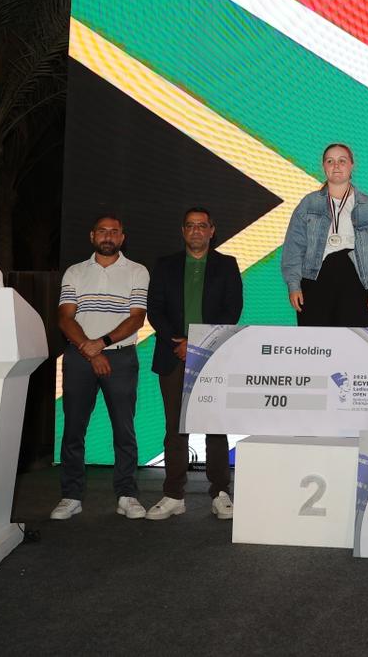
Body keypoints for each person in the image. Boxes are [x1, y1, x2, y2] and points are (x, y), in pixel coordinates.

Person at [146, 207, 243, 521]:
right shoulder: (165, 265)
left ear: (212, 230)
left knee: (215, 426)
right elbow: (154, 309)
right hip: (172, 353)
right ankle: (174, 495)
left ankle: (220, 493)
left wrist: (198, 344)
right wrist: (179, 342)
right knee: (175, 427)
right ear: (183, 231)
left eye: (202, 225)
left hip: (212, 357)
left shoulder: (227, 265)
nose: (196, 230)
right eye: (190, 225)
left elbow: (232, 310)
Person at [52, 214, 150, 521]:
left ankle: (126, 495)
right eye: (102, 231)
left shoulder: (137, 271)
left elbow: (137, 318)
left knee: (124, 430)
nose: (108, 236)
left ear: (122, 238)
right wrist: (90, 350)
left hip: (120, 358)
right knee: (73, 429)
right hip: (79, 357)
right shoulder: (75, 272)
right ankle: (71, 496)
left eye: (114, 232)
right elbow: (65, 317)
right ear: (92, 236)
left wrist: (101, 343)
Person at [282, 144, 368, 326]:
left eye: (342, 161)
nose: (336, 166)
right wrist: (294, 285)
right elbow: (294, 245)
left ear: (352, 165)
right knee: (315, 340)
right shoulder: (309, 203)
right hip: (315, 279)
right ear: (323, 166)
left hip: (356, 279)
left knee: (352, 340)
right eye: (330, 161)